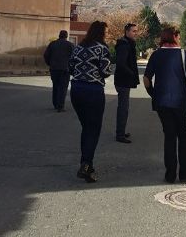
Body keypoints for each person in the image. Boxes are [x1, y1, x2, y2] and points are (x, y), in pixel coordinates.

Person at [143, 27, 186, 184]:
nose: (179, 38)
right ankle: (185, 174)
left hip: (162, 102)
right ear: (174, 37)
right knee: (184, 137)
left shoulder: (156, 54)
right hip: (181, 102)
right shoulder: (182, 54)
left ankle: (170, 175)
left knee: (169, 137)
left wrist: (152, 93)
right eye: (178, 36)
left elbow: (146, 78)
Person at [69, 21, 112, 183]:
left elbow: (71, 68)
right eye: (105, 32)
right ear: (101, 32)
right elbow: (106, 71)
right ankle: (86, 164)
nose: (107, 34)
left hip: (76, 90)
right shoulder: (102, 49)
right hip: (93, 91)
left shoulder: (78, 47)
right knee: (93, 129)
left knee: (86, 128)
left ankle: (88, 164)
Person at [114, 23, 140, 143]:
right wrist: (131, 74)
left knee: (124, 107)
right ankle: (120, 135)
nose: (136, 33)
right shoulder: (124, 45)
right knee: (123, 108)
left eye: (136, 31)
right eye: (134, 31)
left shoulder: (127, 43)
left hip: (124, 80)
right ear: (127, 32)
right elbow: (121, 63)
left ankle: (121, 131)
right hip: (123, 81)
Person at [43, 30, 74, 112]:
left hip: (54, 69)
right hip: (65, 69)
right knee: (63, 87)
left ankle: (55, 104)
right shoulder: (70, 45)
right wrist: (72, 68)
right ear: (66, 36)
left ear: (59, 35)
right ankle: (60, 106)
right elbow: (74, 57)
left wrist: (50, 63)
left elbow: (46, 55)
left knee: (55, 86)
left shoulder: (52, 44)